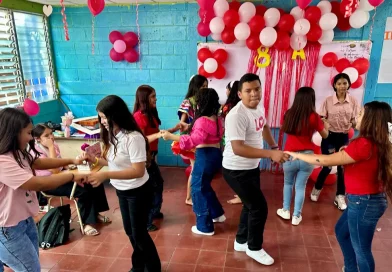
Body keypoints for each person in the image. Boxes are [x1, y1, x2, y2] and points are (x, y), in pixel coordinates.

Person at [285, 101, 392, 272]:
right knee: (342, 232)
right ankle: (350, 268)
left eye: (361, 114)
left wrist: (297, 154)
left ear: (371, 120)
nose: (357, 117)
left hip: (364, 202)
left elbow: (326, 160)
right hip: (365, 200)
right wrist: (347, 151)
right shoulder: (377, 142)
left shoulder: (364, 143)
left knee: (362, 250)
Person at [0, 108, 87, 272]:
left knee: (31, 264)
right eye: (27, 133)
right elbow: (37, 183)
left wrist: (73, 160)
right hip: (7, 229)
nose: (30, 137)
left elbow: (38, 163)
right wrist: (71, 176)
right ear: (13, 132)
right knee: (31, 269)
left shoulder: (17, 152)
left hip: (23, 221)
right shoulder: (2, 161)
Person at [87, 95, 161, 272]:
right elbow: (115, 163)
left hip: (138, 191)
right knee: (130, 231)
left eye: (104, 117)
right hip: (122, 190)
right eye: (100, 117)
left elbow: (138, 171)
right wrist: (93, 159)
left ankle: (152, 267)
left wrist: (105, 175)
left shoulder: (133, 137)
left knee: (139, 233)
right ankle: (139, 264)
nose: (102, 121)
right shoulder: (114, 135)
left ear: (116, 114)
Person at [222, 73, 289, 266]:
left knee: (249, 205)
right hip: (235, 170)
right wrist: (270, 154)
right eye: (248, 91)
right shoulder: (236, 115)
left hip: (251, 167)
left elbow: (264, 126)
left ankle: (241, 241)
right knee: (259, 207)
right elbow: (238, 148)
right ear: (240, 93)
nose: (253, 94)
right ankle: (254, 248)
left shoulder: (258, 107)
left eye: (257, 89)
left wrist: (274, 146)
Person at [162, 88, 225, 236]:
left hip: (205, 156)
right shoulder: (217, 119)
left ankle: (204, 226)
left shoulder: (202, 120)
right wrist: (189, 127)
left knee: (197, 189)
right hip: (215, 155)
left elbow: (193, 140)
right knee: (205, 186)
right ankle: (217, 214)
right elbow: (205, 132)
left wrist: (171, 137)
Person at [32, 123, 111, 236]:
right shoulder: (35, 151)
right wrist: (50, 148)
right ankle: (86, 223)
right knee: (82, 191)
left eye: (51, 134)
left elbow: (60, 163)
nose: (51, 137)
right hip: (49, 183)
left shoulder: (54, 145)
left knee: (93, 181)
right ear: (38, 139)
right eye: (47, 136)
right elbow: (54, 171)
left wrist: (70, 166)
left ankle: (95, 214)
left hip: (62, 177)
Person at [277, 87, 329, 225]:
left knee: (288, 184)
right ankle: (296, 216)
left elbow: (283, 129)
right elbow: (325, 135)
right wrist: (324, 125)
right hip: (307, 157)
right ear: (312, 99)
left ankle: (285, 210)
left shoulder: (288, 113)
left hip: (289, 155)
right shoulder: (314, 116)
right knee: (301, 187)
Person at [133, 85, 179, 232]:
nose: (156, 99)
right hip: (144, 157)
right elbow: (141, 139)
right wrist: (159, 135)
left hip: (151, 156)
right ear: (144, 98)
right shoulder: (139, 116)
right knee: (150, 188)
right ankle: (146, 220)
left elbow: (157, 132)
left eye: (155, 95)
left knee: (156, 184)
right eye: (153, 96)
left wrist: (174, 129)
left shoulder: (150, 114)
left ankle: (154, 211)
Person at [311, 73, 360, 210]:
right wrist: (324, 121)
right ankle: (317, 188)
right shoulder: (328, 101)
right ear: (334, 85)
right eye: (339, 83)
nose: (342, 86)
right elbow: (321, 118)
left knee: (342, 167)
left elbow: (355, 121)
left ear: (349, 85)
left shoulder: (354, 101)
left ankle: (340, 196)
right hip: (329, 136)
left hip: (343, 137)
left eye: (345, 83)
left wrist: (355, 123)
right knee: (327, 165)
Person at [177, 75, 208, 206]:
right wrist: (184, 139)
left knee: (199, 169)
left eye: (207, 87)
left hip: (201, 138)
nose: (205, 89)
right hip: (192, 140)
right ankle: (189, 198)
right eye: (203, 87)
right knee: (195, 169)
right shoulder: (188, 102)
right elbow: (182, 124)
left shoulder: (204, 101)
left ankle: (196, 195)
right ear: (196, 87)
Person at [221, 80, 242, 205]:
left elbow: (221, 115)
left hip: (230, 137)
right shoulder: (242, 105)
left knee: (234, 169)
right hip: (239, 138)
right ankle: (241, 193)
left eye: (227, 89)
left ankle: (241, 195)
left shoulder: (228, 106)